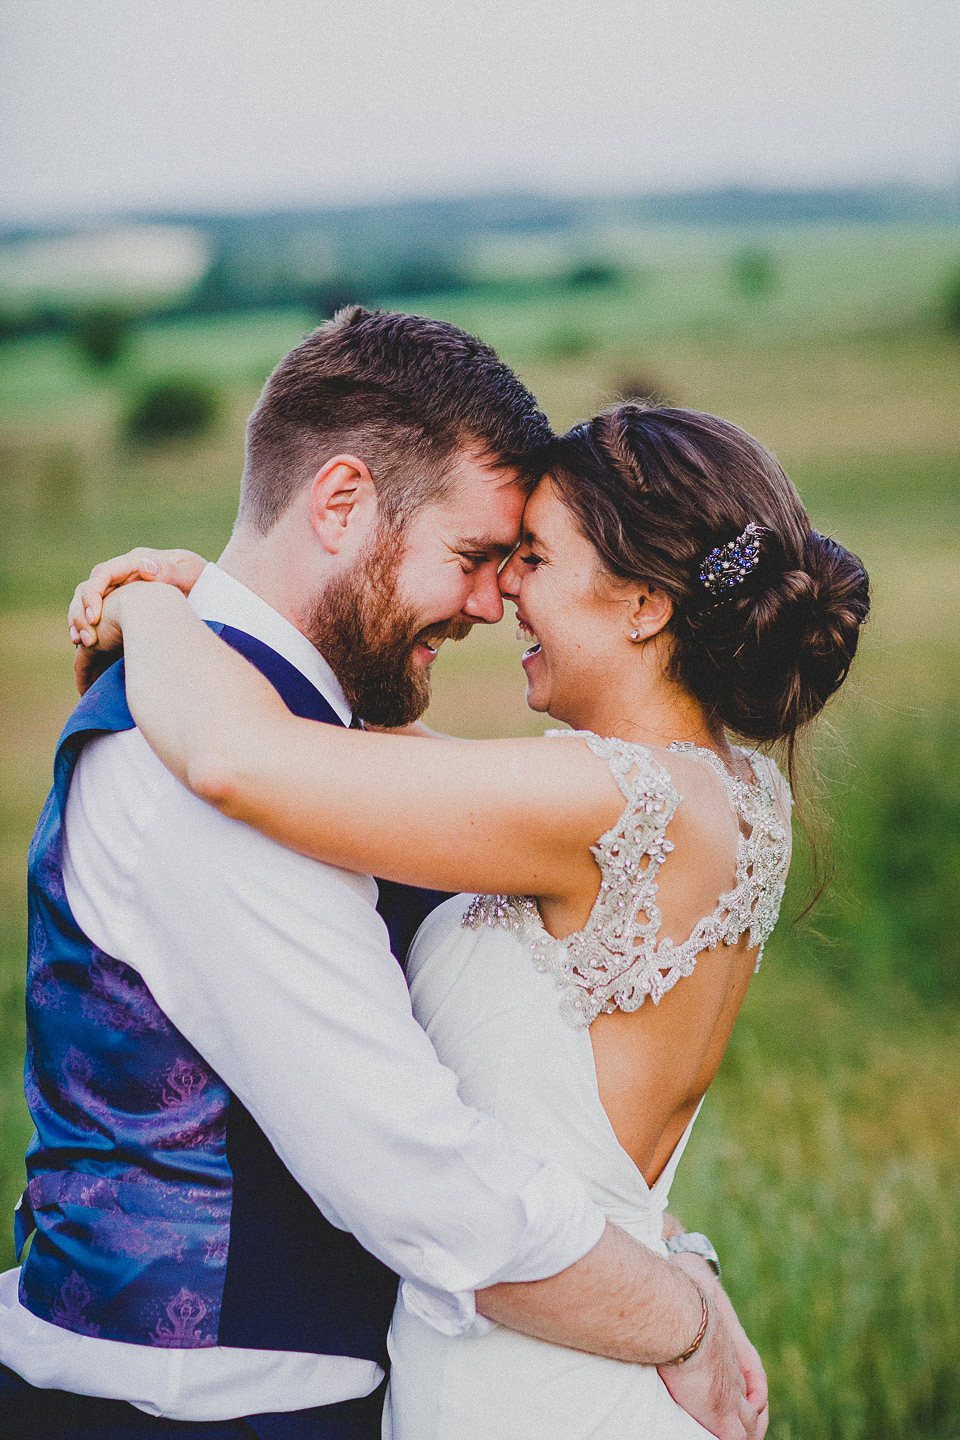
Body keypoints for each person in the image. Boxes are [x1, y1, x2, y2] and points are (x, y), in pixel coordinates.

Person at [2, 311, 763, 1440]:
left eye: (520, 564)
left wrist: (163, 602)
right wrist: (680, 1312)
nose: (493, 603)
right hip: (188, 1410)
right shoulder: (194, 771)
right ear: (342, 502)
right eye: (475, 557)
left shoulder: (328, 754)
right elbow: (411, 1173)